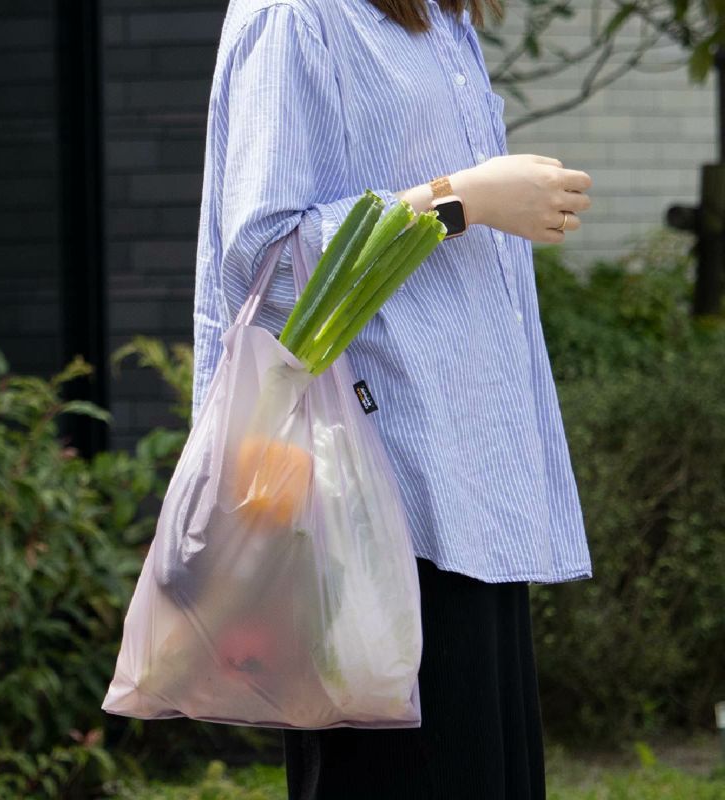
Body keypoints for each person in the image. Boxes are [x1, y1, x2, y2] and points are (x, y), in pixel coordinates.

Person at [192, 0, 594, 797]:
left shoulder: (439, 17)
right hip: (373, 501)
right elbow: (266, 267)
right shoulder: (295, 16)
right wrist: (461, 199)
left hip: (468, 488)